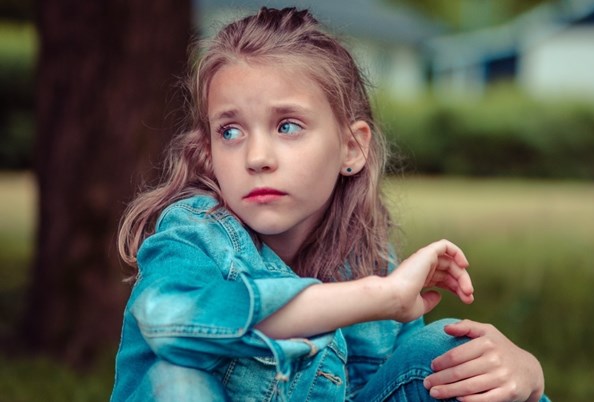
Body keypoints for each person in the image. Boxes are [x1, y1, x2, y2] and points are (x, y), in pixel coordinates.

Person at [111, 6, 548, 402]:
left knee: (457, 358)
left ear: (351, 149)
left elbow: (410, 379)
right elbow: (168, 322)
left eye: (287, 126)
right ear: (208, 152)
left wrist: (529, 375)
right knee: (176, 382)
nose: (257, 158)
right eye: (230, 132)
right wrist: (378, 296)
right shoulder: (192, 235)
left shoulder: (367, 261)